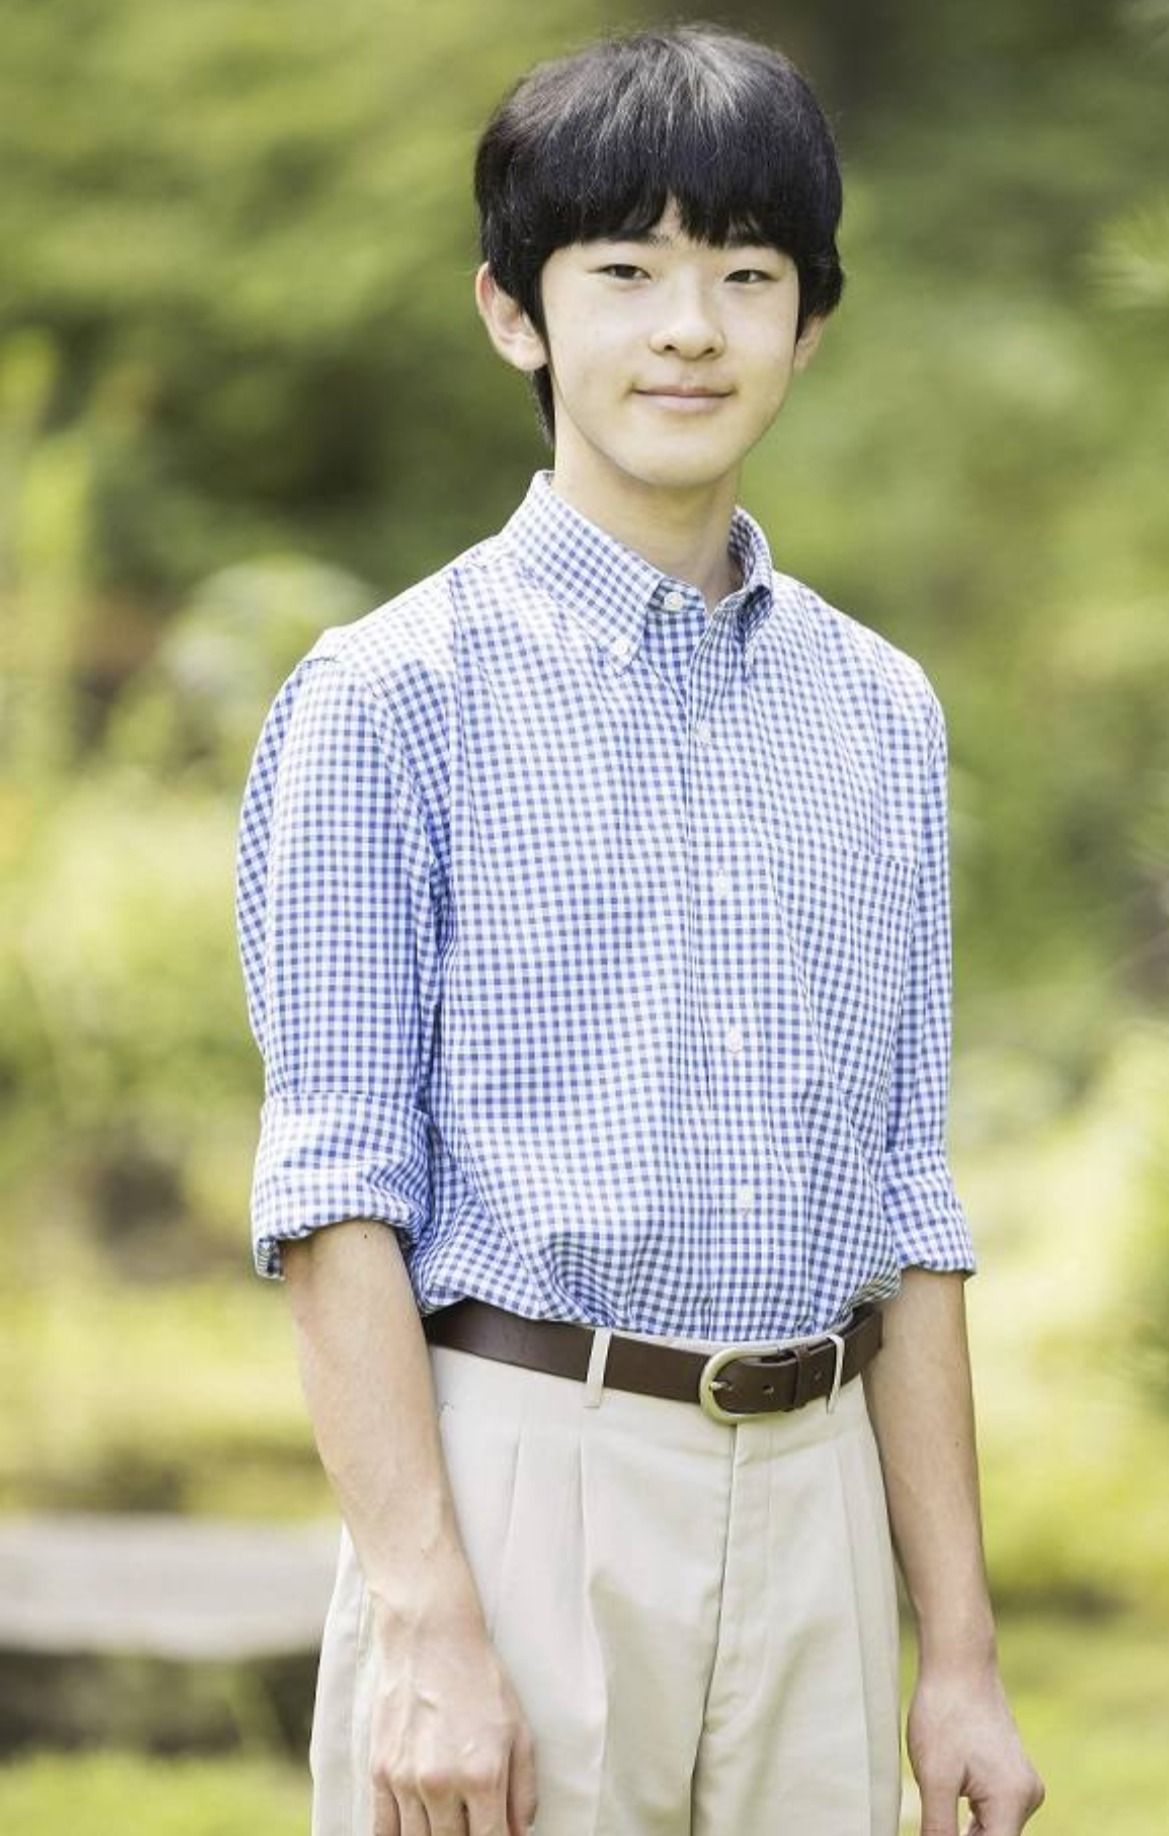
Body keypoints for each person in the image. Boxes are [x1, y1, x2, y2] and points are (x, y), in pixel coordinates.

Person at [234, 24, 1045, 1836]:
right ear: (517, 314)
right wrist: (431, 1623)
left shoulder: (879, 708)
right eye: (626, 271)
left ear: (806, 325)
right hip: (527, 1491)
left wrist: (962, 1652)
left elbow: (908, 1193)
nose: (690, 326)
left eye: (746, 274)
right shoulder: (387, 700)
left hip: (823, 1510)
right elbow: (336, 1192)